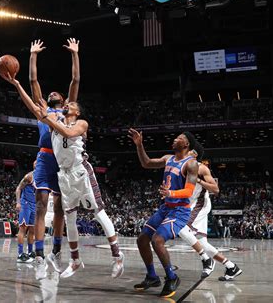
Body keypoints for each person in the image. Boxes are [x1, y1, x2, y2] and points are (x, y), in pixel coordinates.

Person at [4, 38, 80, 279]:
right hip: (45, 158)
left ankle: (56, 250)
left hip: (63, 159)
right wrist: (32, 55)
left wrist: (75, 54)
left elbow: (75, 80)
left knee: (59, 207)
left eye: (58, 92)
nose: (54, 91)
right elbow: (33, 81)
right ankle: (38, 254)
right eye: (51, 93)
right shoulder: (43, 110)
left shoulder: (68, 110)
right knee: (41, 205)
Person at [33, 99, 125, 279]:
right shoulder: (57, 121)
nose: (67, 104)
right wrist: (17, 84)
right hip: (64, 175)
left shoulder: (81, 123)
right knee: (70, 218)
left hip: (80, 172)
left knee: (98, 213)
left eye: (71, 103)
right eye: (66, 103)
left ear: (77, 111)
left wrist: (50, 119)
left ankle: (117, 256)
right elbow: (37, 106)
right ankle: (75, 260)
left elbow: (68, 133)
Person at [128, 128, 198, 298]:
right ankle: (152, 277)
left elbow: (189, 191)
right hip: (166, 207)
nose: (174, 139)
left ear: (186, 144)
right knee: (142, 239)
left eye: (179, 138)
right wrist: (139, 145)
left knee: (157, 240)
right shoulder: (168, 158)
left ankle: (172, 277)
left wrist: (171, 193)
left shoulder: (191, 163)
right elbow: (146, 163)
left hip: (180, 210)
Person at [178, 144, 242, 281]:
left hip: (200, 204)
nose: (184, 151)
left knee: (180, 226)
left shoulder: (201, 168)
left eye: (188, 149)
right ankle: (231, 267)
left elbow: (216, 189)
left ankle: (206, 259)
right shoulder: (183, 165)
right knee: (202, 242)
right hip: (191, 204)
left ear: (194, 153)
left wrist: (199, 180)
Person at [15, 162, 37, 263]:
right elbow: (18, 189)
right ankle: (20, 254)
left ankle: (30, 252)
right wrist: (18, 203)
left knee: (32, 230)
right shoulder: (29, 176)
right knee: (23, 228)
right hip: (25, 204)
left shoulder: (42, 177)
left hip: (34, 205)